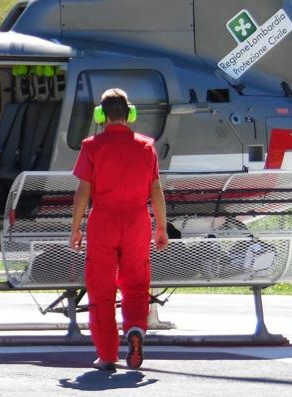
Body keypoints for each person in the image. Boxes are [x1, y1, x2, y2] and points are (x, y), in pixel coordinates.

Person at [69, 88, 168, 371]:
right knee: (136, 284)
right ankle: (135, 328)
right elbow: (156, 190)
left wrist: (75, 228)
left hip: (104, 221)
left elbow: (83, 193)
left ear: (101, 115)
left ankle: (108, 354)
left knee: (102, 288)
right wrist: (161, 227)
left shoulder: (92, 146)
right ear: (130, 114)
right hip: (138, 220)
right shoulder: (146, 146)